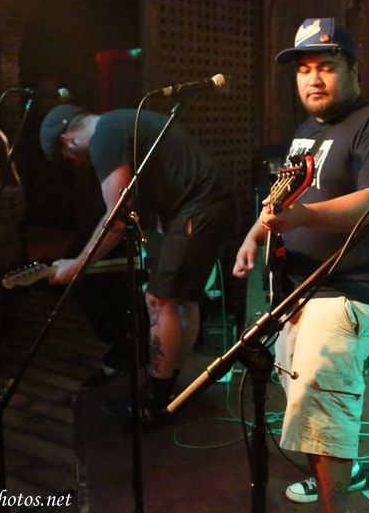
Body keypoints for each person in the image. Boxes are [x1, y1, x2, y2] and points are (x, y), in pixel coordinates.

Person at [232, 18, 369, 512]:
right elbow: (284, 195)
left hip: (351, 288)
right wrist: (254, 234)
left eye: (326, 66)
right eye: (303, 69)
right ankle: (340, 474)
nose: (313, 79)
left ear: (353, 69)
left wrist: (304, 218)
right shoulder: (307, 130)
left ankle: (336, 499)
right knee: (306, 397)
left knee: (320, 405)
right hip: (303, 288)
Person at [39, 103, 238, 419]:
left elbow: (117, 218)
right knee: (182, 299)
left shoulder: (104, 137)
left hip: (199, 209)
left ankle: (153, 401)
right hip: (212, 206)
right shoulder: (118, 123)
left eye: (66, 156)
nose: (75, 162)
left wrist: (77, 265)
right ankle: (170, 386)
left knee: (159, 299)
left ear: (67, 140)